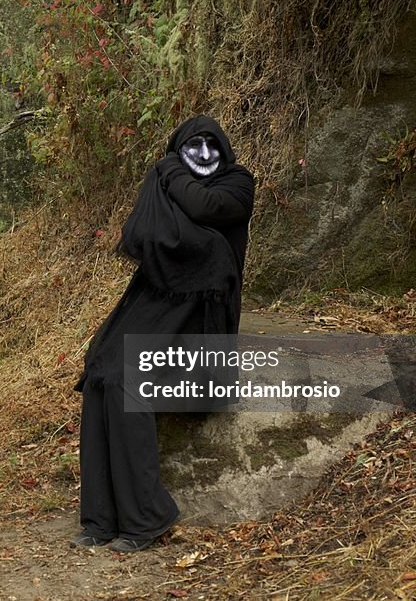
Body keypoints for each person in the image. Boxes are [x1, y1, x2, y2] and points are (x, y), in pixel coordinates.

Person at [71, 114, 255, 553]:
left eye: (212, 143)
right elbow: (141, 235)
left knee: (130, 379)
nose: (204, 152)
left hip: (202, 311)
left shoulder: (237, 183)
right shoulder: (165, 182)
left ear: (224, 148)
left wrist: (170, 168)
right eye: (193, 145)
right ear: (181, 148)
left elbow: (204, 209)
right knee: (101, 373)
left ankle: (146, 518)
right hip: (158, 296)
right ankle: (101, 519)